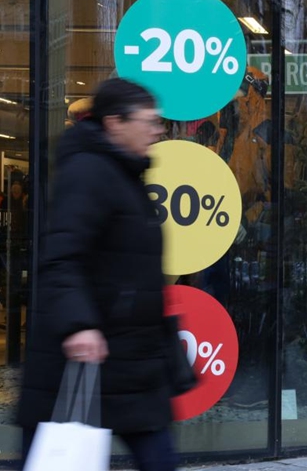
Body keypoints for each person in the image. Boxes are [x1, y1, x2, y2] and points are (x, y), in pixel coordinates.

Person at [17, 78, 177, 471]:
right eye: (149, 121)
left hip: (128, 361)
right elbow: (61, 258)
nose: (157, 131)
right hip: (83, 357)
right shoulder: (88, 172)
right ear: (114, 123)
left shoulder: (125, 173)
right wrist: (79, 326)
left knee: (159, 458)